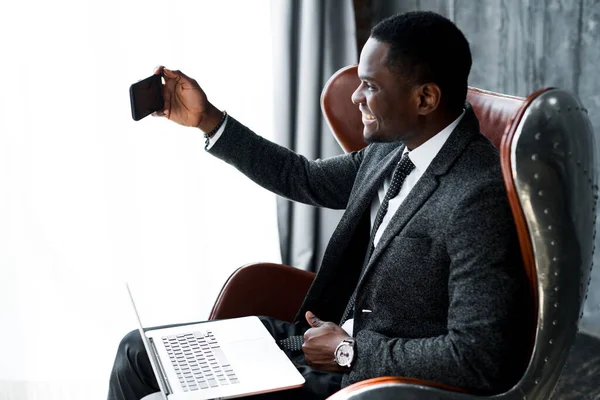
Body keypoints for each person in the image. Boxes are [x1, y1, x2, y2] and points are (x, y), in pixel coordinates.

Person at [108, 11, 530, 400]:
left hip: (368, 382)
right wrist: (207, 119)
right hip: (317, 343)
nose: (355, 98)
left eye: (371, 86)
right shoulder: (393, 150)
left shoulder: (477, 195)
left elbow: (479, 357)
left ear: (425, 99)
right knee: (137, 351)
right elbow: (303, 177)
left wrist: (350, 351)